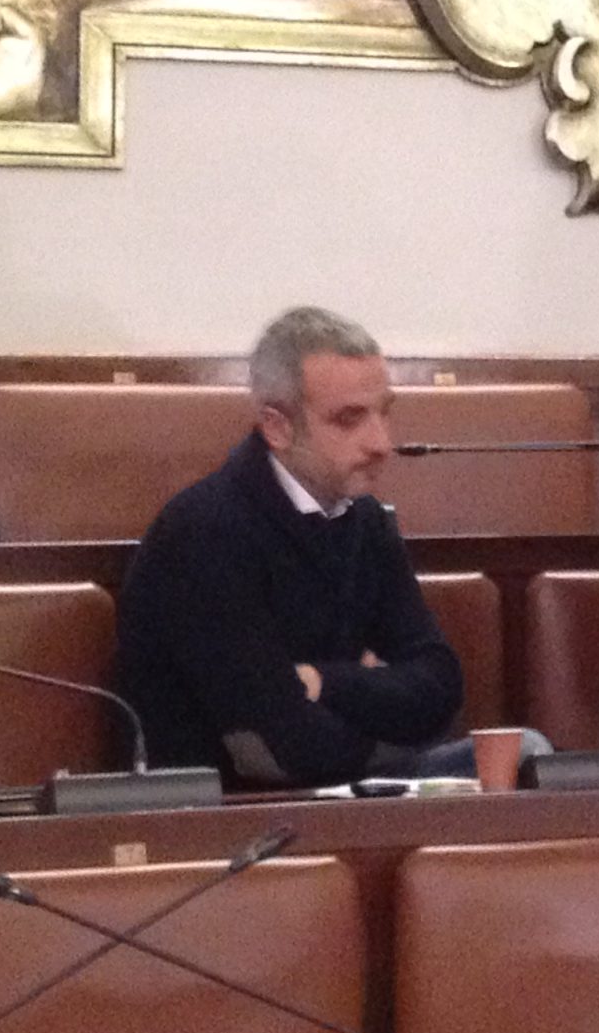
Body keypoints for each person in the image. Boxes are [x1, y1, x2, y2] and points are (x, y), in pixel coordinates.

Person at [114, 306, 477, 787]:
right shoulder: (204, 530)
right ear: (277, 427)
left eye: (384, 412)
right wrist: (385, 703)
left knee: (526, 754)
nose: (381, 443)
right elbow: (278, 748)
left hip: (353, 794)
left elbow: (440, 687)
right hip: (236, 812)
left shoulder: (365, 519)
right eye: (349, 419)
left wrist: (324, 681)